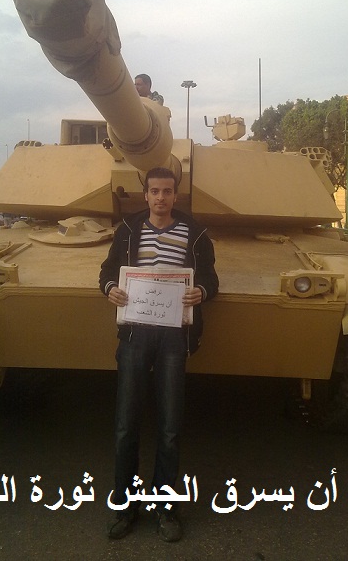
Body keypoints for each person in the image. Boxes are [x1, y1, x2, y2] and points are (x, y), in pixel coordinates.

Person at [100, 167, 218, 543]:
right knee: (126, 425)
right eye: (154, 191)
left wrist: (201, 291)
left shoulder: (195, 232)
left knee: (169, 428)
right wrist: (110, 288)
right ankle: (125, 506)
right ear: (146, 195)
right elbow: (107, 270)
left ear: (175, 195)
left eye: (167, 191)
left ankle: (165, 508)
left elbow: (211, 278)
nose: (161, 197)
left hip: (173, 335)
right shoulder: (128, 229)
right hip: (135, 333)